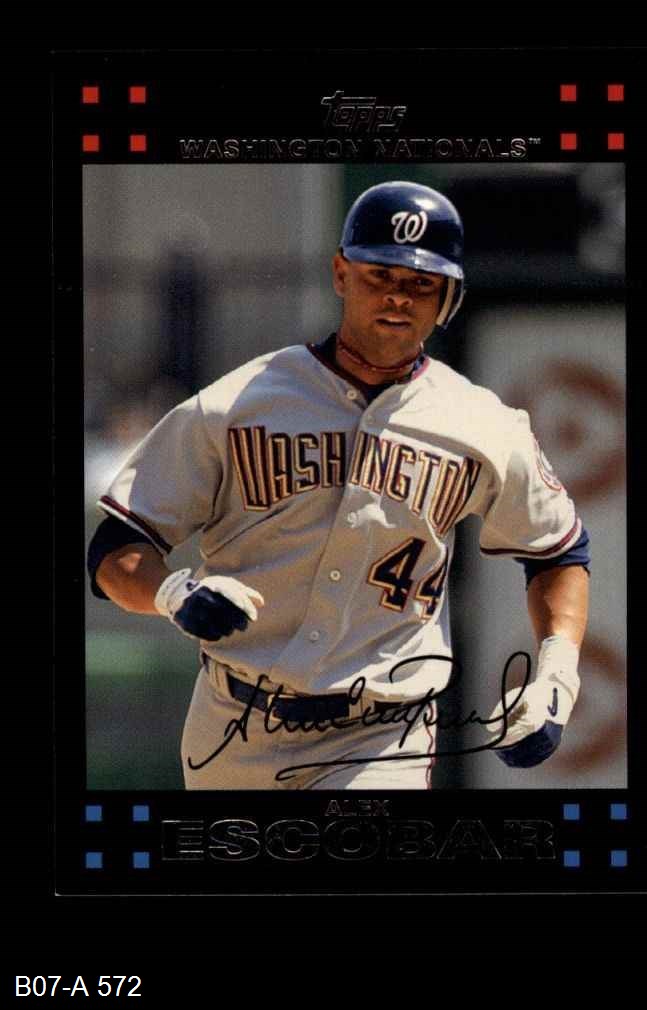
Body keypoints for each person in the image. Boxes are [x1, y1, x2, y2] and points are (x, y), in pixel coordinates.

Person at [87, 180, 590, 790]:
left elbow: (559, 550)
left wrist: (557, 674)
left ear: (449, 298)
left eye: (421, 283)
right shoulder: (236, 405)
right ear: (341, 274)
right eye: (380, 275)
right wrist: (172, 593)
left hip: (382, 733)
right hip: (231, 723)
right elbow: (115, 549)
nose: (398, 296)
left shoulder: (482, 424)